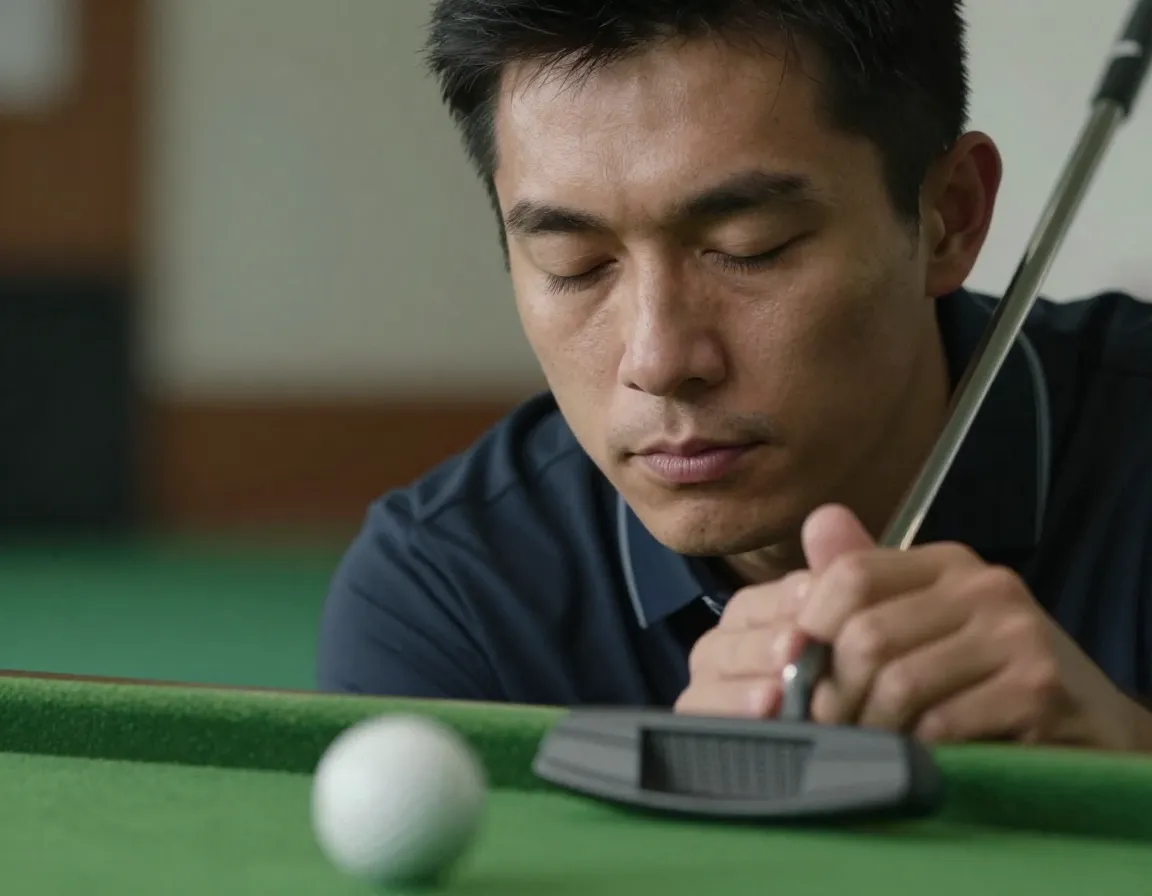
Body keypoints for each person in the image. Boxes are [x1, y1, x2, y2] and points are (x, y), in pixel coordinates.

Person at [316, 0, 1152, 753]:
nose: (658, 361)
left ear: (950, 218)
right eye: (575, 264)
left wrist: (1128, 764)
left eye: (750, 249)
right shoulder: (452, 599)